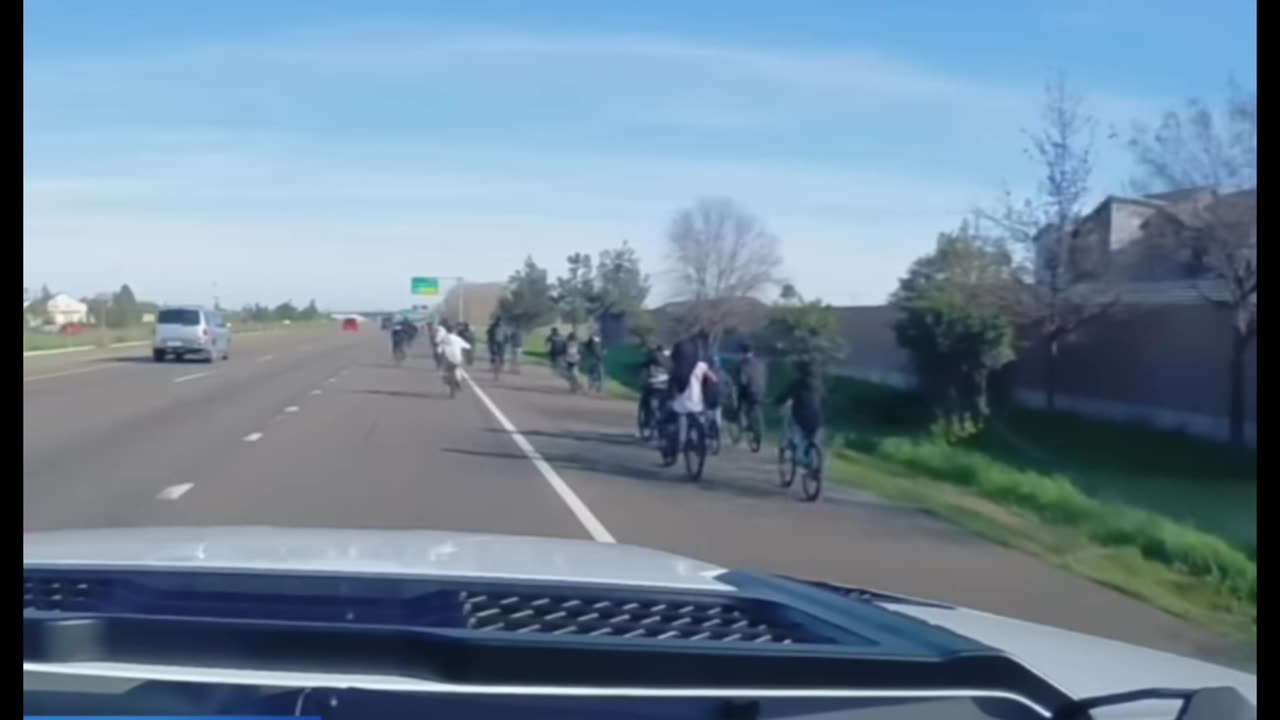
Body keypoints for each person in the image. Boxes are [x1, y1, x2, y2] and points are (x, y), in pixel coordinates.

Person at [670, 338, 717, 451]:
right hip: (697, 400)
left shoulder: (677, 366)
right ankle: (705, 437)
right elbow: (714, 379)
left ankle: (680, 441)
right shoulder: (700, 365)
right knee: (699, 415)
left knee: (680, 414)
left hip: (683, 400)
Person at [774, 359, 824, 462]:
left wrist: (776, 401)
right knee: (811, 438)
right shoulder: (818, 384)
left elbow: (785, 395)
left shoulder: (798, 383)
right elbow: (824, 400)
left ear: (800, 371)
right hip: (818, 417)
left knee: (797, 432)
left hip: (801, 417)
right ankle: (815, 466)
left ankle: (800, 457)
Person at [733, 342, 765, 436]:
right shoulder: (760, 362)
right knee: (753, 405)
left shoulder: (742, 363)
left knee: (739, 402)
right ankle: (753, 422)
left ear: (742, 352)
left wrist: (735, 383)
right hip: (761, 390)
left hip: (749, 391)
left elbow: (741, 380)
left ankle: (744, 423)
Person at [438, 322, 471, 391]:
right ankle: (458, 381)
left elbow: (439, 350)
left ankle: (447, 381)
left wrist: (439, 353)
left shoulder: (444, 339)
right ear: (454, 331)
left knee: (444, 370)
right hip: (457, 358)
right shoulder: (458, 338)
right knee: (458, 369)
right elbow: (468, 346)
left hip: (448, 358)